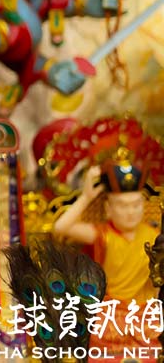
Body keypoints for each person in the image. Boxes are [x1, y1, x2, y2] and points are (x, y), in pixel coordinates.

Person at [54, 144, 161, 355]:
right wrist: (86, 197)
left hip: (144, 315)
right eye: (122, 205)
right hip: (110, 314)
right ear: (108, 209)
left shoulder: (154, 236)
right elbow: (61, 228)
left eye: (136, 204)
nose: (130, 212)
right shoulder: (104, 235)